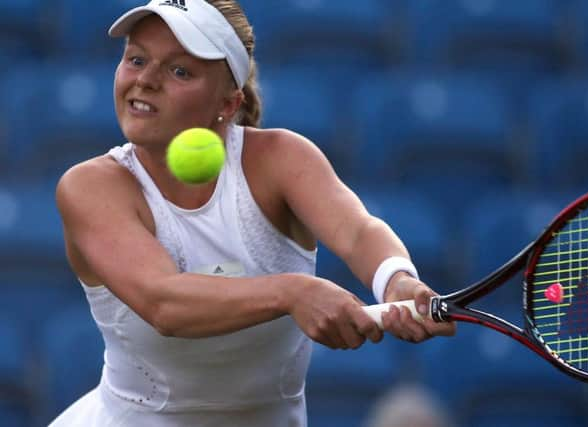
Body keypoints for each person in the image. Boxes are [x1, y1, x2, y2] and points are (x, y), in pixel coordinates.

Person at [50, 0, 455, 426]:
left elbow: (356, 231)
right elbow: (163, 302)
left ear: (228, 102)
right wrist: (293, 293)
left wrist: (395, 280)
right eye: (136, 59)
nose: (146, 80)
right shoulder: (89, 187)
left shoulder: (281, 158)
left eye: (179, 70)